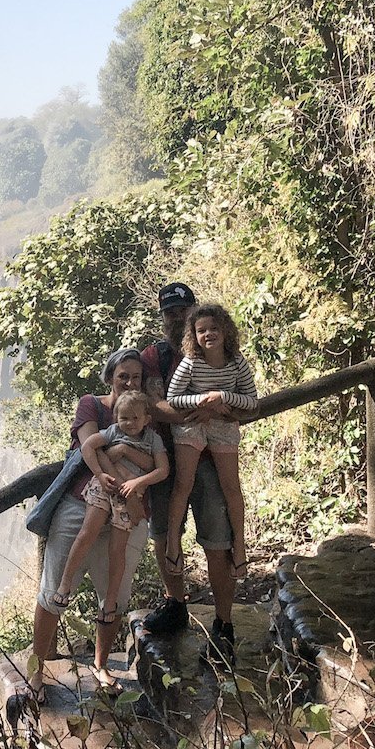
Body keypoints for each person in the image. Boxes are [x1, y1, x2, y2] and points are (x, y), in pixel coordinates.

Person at [20, 348, 149, 700]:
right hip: (81, 504)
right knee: (53, 589)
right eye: (123, 375)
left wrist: (131, 481)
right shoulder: (91, 404)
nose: (129, 382)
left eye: (136, 377)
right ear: (110, 377)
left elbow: (157, 459)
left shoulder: (144, 411)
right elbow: (90, 446)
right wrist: (125, 477)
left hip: (126, 515)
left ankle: (101, 664)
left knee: (115, 592)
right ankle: (37, 670)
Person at [140, 283, 249, 667]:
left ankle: (224, 622)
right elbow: (154, 404)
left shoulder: (223, 355)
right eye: (170, 312)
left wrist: (218, 409)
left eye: (183, 310)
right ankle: (176, 604)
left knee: (217, 537)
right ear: (163, 316)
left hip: (211, 460)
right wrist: (204, 409)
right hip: (162, 456)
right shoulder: (153, 357)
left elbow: (243, 400)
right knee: (163, 535)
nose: (177, 317)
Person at [51, 391, 168, 626]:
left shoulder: (153, 439)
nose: (130, 423)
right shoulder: (113, 432)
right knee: (87, 533)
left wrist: (138, 482)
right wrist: (99, 474)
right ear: (116, 418)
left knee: (118, 550)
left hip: (130, 496)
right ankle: (65, 585)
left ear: (146, 418)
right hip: (104, 489)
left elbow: (162, 470)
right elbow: (87, 447)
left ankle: (110, 601)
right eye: (124, 418)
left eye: (135, 418)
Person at [165, 304, 257, 581]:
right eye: (201, 330)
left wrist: (222, 397)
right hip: (192, 423)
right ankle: (172, 542)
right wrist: (201, 401)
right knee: (184, 483)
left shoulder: (236, 361)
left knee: (232, 486)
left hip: (223, 424)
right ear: (193, 335)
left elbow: (252, 400)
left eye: (213, 329)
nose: (208, 335)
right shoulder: (191, 362)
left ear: (225, 330)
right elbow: (173, 397)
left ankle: (239, 546)